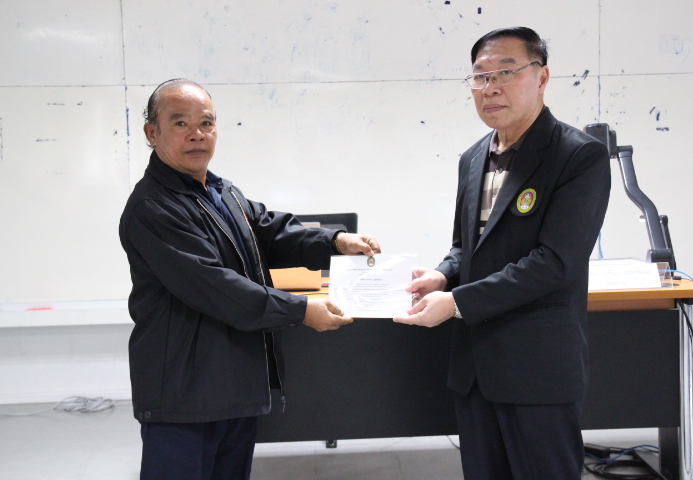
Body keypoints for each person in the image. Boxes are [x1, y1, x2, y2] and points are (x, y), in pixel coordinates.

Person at [119, 78, 380, 480]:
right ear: (152, 133)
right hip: (184, 397)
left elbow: (270, 230)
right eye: (180, 123)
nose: (197, 134)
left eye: (206, 123)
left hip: (233, 387)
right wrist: (300, 309)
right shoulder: (153, 207)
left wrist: (335, 241)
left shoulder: (220, 191)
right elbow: (216, 286)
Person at [394, 27, 611, 479]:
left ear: (542, 77)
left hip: (537, 370)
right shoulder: (473, 158)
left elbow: (555, 262)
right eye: (480, 76)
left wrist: (455, 302)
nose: (490, 87)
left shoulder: (578, 156)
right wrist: (443, 275)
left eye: (506, 72)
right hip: (475, 369)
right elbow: (466, 247)